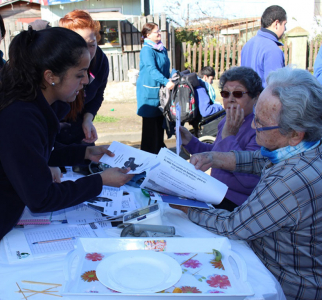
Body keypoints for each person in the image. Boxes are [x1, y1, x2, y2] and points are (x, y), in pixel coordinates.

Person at [0, 27, 132, 300]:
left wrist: (83, 154)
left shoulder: (28, 96)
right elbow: (41, 197)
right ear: (51, 76)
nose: (86, 82)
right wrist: (100, 181)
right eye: (80, 74)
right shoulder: (18, 113)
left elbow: (30, 153)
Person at [174, 67, 322, 299]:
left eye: (261, 124)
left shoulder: (289, 180)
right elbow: (256, 159)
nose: (254, 126)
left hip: (285, 282)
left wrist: (186, 208)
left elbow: (233, 226)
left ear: (295, 134)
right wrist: (213, 157)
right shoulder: (304, 148)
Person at [180, 67, 262, 211]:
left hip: (237, 203)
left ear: (256, 97)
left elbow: (249, 179)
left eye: (238, 93)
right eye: (225, 93)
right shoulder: (226, 120)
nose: (230, 99)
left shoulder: (259, 128)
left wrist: (229, 135)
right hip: (214, 192)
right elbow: (216, 152)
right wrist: (191, 142)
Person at [56, 10, 109, 147]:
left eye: (91, 45)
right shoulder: (53, 64)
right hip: (52, 133)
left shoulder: (100, 61)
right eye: (79, 45)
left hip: (80, 131)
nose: (86, 52)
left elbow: (98, 94)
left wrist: (88, 119)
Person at [136, 22, 174, 154]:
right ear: (147, 35)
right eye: (155, 32)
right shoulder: (147, 50)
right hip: (149, 92)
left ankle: (159, 152)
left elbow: (165, 69)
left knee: (160, 125)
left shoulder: (161, 49)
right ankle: (148, 157)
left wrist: (171, 78)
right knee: (150, 129)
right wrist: (166, 81)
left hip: (161, 92)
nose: (159, 33)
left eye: (159, 31)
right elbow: (152, 70)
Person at [241, 5, 286, 87]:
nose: (285, 29)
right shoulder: (273, 50)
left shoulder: (247, 45)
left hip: (247, 98)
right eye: (284, 24)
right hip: (264, 99)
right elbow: (275, 88)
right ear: (276, 23)